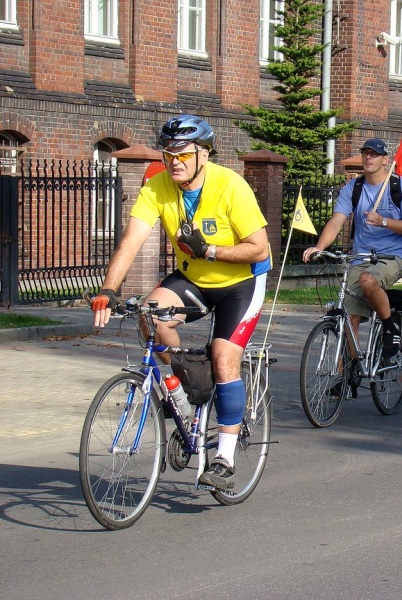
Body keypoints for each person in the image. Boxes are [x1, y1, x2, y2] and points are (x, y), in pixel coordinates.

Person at [90, 114, 272, 490]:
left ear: (204, 153)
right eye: (169, 153)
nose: (175, 161)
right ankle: (183, 395)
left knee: (223, 357)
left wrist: (211, 250)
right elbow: (130, 242)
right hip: (194, 278)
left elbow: (259, 248)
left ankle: (224, 457)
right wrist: (108, 290)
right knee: (150, 315)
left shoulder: (230, 186)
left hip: (242, 282)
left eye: (183, 154)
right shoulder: (157, 187)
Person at [302, 138, 402, 357]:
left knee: (368, 280)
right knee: (349, 318)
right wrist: (319, 247)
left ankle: (390, 327)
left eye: (374, 154)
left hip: (393, 256)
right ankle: (353, 369)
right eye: (365, 153)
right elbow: (336, 221)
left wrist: (383, 221)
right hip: (361, 257)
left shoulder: (399, 186)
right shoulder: (354, 188)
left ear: (385, 160)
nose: (368, 157)